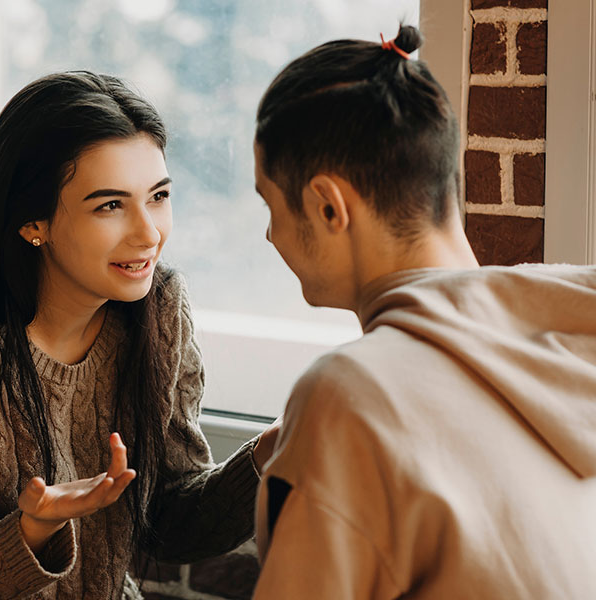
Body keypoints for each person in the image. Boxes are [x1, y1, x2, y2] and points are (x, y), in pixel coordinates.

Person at [0, 71, 278, 600]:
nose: (149, 233)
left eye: (158, 196)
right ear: (34, 222)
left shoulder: (160, 311)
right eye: (110, 205)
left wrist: (269, 453)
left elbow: (174, 521)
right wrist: (35, 528)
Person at [251, 24, 596, 599]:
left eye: (270, 203)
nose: (269, 234)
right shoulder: (568, 331)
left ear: (328, 207)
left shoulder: (350, 394)